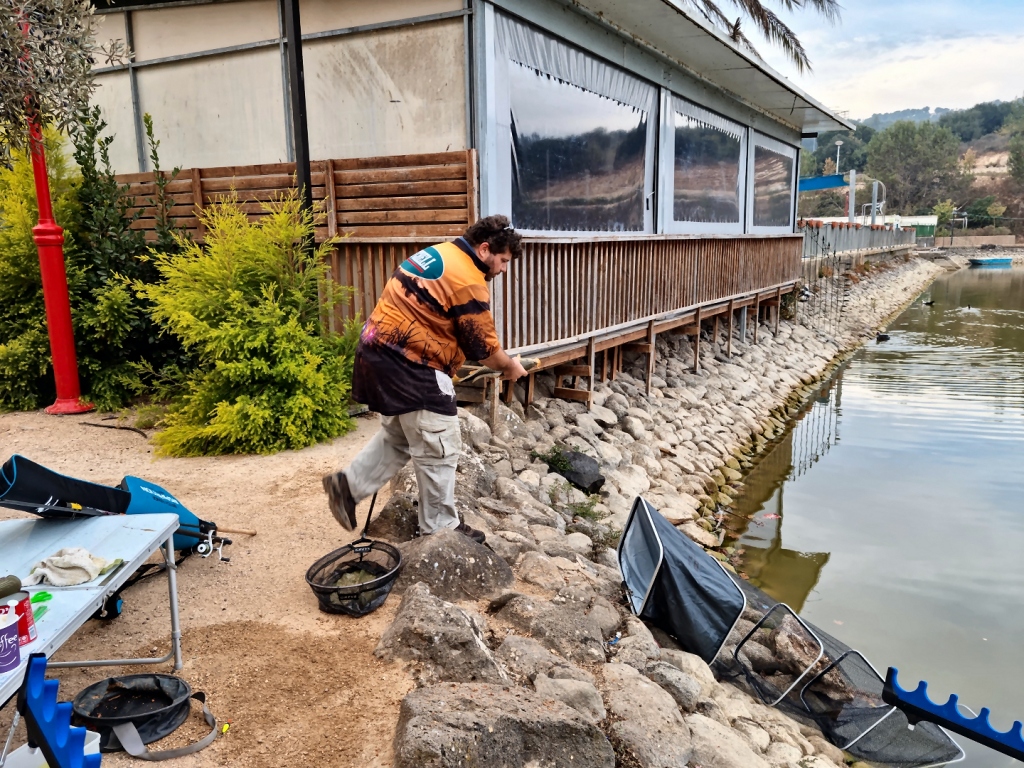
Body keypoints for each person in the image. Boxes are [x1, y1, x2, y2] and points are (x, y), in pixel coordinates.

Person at [323, 215, 528, 543]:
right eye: (503, 261)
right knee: (439, 446)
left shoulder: (441, 253)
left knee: (399, 437)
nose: (503, 269)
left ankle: (347, 487)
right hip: (412, 365)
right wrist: (509, 367)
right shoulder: (467, 278)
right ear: (485, 249)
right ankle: (439, 530)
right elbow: (484, 348)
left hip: (377, 353)